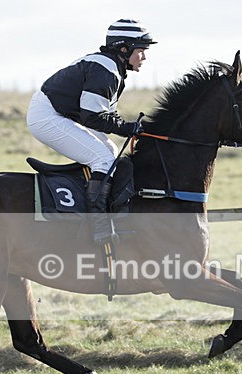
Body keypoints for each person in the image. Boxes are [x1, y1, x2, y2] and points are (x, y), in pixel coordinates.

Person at [26, 19, 156, 244]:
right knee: (103, 158)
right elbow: (92, 117)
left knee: (110, 150)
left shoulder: (112, 68)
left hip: (59, 113)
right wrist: (127, 128)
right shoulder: (105, 69)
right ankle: (99, 224)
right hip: (47, 116)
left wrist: (130, 129)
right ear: (124, 49)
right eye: (141, 51)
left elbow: (104, 116)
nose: (144, 57)